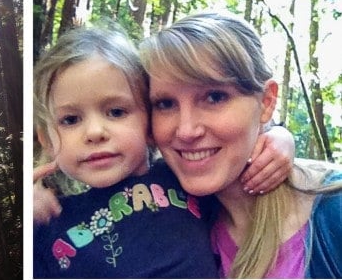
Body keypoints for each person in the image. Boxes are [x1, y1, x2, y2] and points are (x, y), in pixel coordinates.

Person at [31, 24, 294, 278]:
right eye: (70, 120)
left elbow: (232, 157)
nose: (94, 132)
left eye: (116, 112)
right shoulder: (47, 223)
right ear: (47, 139)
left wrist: (278, 137)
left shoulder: (183, 177)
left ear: (149, 124)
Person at [138, 11, 342, 278]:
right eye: (165, 104)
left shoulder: (332, 211)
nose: (187, 130)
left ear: (266, 102)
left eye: (214, 97)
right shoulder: (165, 208)